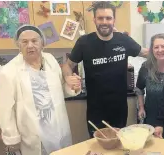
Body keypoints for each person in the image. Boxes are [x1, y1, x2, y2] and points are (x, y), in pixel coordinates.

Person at [62, 2, 148, 137]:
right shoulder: (84, 42)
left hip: (119, 108)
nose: (104, 22)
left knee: (118, 144)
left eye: (108, 18)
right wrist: (68, 77)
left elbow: (146, 53)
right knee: (98, 146)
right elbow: (68, 65)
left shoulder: (124, 40)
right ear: (94, 20)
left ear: (114, 20)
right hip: (96, 110)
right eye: (100, 18)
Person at [0, 25, 81, 155]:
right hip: (32, 136)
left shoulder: (51, 60)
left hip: (58, 129)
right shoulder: (8, 72)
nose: (30, 45)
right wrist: (11, 138)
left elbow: (59, 90)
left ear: (42, 43)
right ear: (18, 45)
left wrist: (72, 86)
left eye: (34, 41)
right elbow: (5, 110)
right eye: (24, 42)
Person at [135, 33, 164, 126]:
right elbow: (139, 89)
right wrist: (141, 107)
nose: (160, 50)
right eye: (156, 47)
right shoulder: (146, 66)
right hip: (150, 115)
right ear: (152, 50)